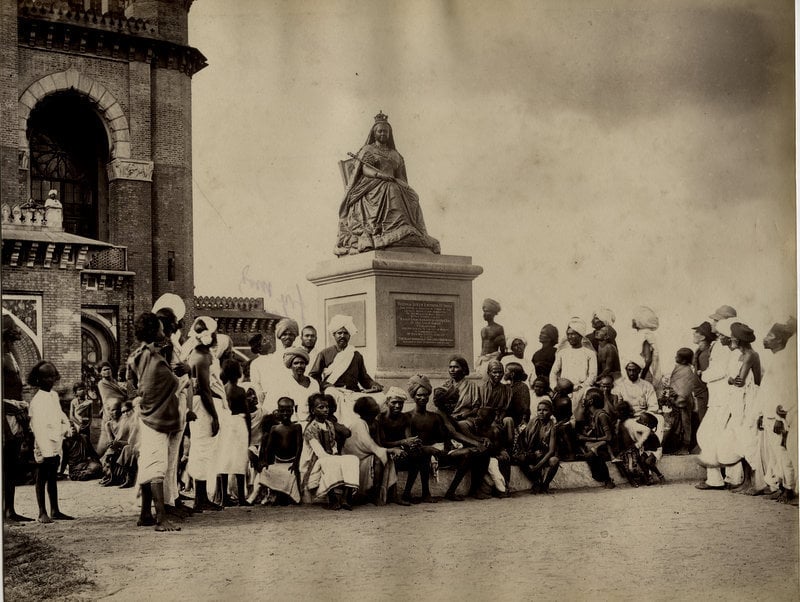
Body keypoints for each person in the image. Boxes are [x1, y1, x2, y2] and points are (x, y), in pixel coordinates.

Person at [335, 110, 440, 256]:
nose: (383, 134)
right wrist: (380, 175)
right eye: (380, 131)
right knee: (391, 189)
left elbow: (401, 176)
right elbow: (365, 169)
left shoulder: (396, 155)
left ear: (389, 134)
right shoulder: (368, 149)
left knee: (412, 195)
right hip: (371, 185)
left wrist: (404, 185)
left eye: (385, 132)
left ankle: (412, 229)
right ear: (374, 133)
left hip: (392, 182)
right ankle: (394, 228)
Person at [127, 312, 182, 531]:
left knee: (146, 464)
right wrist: (179, 380)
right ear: (153, 331)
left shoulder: (141, 355)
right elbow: (160, 386)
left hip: (147, 415)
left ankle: (145, 514)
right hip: (155, 418)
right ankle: (161, 518)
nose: (163, 332)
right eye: (160, 328)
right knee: (157, 466)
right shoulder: (154, 359)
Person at [308, 314, 383, 426]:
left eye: (346, 333)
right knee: (331, 394)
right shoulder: (324, 353)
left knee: (381, 397)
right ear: (334, 335)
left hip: (353, 392)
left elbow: (364, 378)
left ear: (350, 335)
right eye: (339, 333)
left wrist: (373, 385)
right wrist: (325, 385)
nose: (342, 336)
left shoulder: (356, 355)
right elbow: (314, 376)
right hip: (334, 391)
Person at [181, 317, 222, 512]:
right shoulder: (201, 356)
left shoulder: (201, 354)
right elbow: (204, 389)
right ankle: (200, 498)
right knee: (202, 448)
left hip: (201, 404)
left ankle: (202, 496)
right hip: (204, 405)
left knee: (202, 448)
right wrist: (214, 416)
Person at [695, 315, 739, 490]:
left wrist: (703, 375)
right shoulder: (720, 345)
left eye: (716, 320)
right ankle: (726, 479)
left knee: (710, 436)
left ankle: (717, 479)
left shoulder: (724, 347)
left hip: (722, 399)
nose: (713, 323)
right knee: (717, 437)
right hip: (718, 399)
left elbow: (719, 371)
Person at [27, 360, 75, 522]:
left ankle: (55, 509)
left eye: (52, 376)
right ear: (38, 379)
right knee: (41, 476)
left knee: (53, 476)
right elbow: (38, 428)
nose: (51, 380)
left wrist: (67, 427)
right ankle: (42, 512)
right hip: (43, 443)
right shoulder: (37, 401)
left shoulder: (53, 395)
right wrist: (46, 450)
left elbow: (60, 414)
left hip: (56, 440)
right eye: (46, 377)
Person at [718, 322, 762, 494]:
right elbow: (734, 379)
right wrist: (732, 380)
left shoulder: (751, 355)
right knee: (740, 440)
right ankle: (746, 481)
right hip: (738, 401)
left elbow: (739, 380)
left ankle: (755, 483)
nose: (731, 340)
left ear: (740, 340)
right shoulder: (740, 355)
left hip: (749, 401)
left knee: (749, 440)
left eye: (733, 338)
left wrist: (732, 380)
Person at [299, 393, 360, 510]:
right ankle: (332, 499)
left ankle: (345, 497)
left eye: (326, 407)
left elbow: (333, 447)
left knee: (352, 459)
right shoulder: (310, 429)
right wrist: (334, 458)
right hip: (315, 461)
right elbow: (319, 453)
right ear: (312, 411)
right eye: (321, 407)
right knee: (329, 462)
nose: (325, 410)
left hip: (329, 457)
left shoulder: (329, 424)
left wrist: (336, 455)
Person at [759, 318, 797, 501]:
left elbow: (783, 392)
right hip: (768, 413)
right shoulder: (776, 359)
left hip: (778, 415)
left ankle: (790, 489)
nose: (765, 338)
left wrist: (778, 419)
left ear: (780, 341)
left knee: (783, 452)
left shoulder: (784, 361)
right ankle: (782, 486)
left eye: (770, 335)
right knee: (775, 453)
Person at [431, 386, 492, 501]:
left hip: (448, 450)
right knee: (469, 452)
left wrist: (482, 439)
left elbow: (463, 432)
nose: (452, 405)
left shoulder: (449, 416)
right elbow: (454, 434)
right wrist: (476, 444)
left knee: (484, 451)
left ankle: (475, 489)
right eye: (449, 402)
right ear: (440, 403)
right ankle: (451, 492)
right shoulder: (438, 415)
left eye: (454, 402)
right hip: (437, 453)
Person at [2, 312, 33, 522]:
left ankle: (10, 510)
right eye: (8, 339)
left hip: (14, 416)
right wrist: (12, 404)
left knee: (12, 464)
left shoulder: (10, 356)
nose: (10, 342)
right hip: (4, 417)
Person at [342, 396, 397, 505]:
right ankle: (374, 495)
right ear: (367, 410)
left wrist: (388, 451)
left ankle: (390, 495)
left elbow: (378, 444)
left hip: (368, 454)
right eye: (374, 405)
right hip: (357, 458)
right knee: (378, 459)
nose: (377, 406)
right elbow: (368, 445)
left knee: (387, 458)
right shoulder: (359, 423)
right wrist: (389, 450)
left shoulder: (375, 423)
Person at [405, 375, 451, 503]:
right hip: (411, 452)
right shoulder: (407, 417)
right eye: (419, 395)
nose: (423, 398)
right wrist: (426, 448)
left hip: (431, 452)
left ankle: (416, 493)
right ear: (413, 396)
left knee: (423, 456)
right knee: (420, 455)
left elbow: (441, 437)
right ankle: (419, 493)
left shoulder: (435, 417)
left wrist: (438, 448)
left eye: (425, 395)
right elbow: (408, 440)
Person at [217, 359, 251, 506]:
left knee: (225, 459)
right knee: (240, 460)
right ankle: (242, 498)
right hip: (238, 424)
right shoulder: (240, 390)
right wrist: (249, 431)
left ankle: (224, 497)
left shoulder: (222, 389)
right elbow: (246, 412)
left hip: (225, 424)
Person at [375, 387, 417, 505]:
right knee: (396, 459)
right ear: (387, 402)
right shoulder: (380, 418)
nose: (398, 406)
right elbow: (381, 443)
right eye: (394, 402)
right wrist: (402, 443)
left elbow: (407, 437)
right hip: (385, 450)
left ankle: (407, 493)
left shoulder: (405, 418)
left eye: (400, 403)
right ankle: (393, 495)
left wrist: (412, 444)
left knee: (418, 458)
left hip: (399, 448)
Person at [258, 397, 303, 505]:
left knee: (291, 473)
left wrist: (296, 463)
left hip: (291, 462)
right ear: (278, 410)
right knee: (266, 471)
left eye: (288, 410)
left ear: (292, 410)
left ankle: (289, 497)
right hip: (278, 461)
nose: (285, 413)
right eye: (282, 410)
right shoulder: (275, 428)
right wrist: (265, 461)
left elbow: (299, 446)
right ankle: (274, 494)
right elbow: (269, 448)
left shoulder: (296, 427)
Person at [550, 318, 597, 418]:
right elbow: (553, 372)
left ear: (580, 335)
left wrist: (581, 387)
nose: (570, 337)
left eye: (573, 334)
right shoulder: (562, 353)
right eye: (568, 334)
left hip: (581, 391)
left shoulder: (590, 353)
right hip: (562, 391)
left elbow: (592, 375)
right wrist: (555, 386)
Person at [514, 400, 560, 494]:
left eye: (545, 410)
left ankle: (545, 485)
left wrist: (537, 466)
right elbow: (522, 439)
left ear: (551, 412)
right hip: (532, 453)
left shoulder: (552, 427)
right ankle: (536, 482)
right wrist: (527, 453)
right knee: (521, 458)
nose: (541, 412)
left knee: (554, 460)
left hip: (545, 455)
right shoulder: (532, 422)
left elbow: (551, 451)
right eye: (539, 410)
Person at [666, 348, 704, 455]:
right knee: (677, 425)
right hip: (676, 403)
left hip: (684, 403)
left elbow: (684, 389)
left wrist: (678, 400)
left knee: (685, 424)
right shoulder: (679, 368)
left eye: (677, 356)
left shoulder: (687, 371)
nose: (675, 357)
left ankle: (685, 447)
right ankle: (676, 446)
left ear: (683, 360)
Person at [577, 388, 615, 489]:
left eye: (586, 398)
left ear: (591, 401)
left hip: (608, 446)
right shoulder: (592, 414)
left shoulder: (602, 415)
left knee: (592, 455)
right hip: (600, 444)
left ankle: (607, 479)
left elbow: (609, 437)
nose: (584, 400)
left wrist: (587, 438)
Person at [272, 347, 318, 424]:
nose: (299, 366)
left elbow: (317, 404)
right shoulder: (283, 383)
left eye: (302, 363)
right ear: (290, 365)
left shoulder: (313, 383)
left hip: (312, 421)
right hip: (291, 422)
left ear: (305, 364)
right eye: (296, 363)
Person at [96, 360, 127, 456]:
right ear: (100, 372)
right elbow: (107, 399)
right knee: (105, 443)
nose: (107, 371)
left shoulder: (114, 381)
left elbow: (123, 394)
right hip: (110, 413)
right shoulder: (102, 384)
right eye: (104, 370)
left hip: (121, 412)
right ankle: (100, 460)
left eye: (108, 369)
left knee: (121, 439)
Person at [631, 306, 663, 395]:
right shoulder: (647, 334)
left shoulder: (644, 335)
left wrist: (640, 377)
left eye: (635, 319)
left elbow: (648, 359)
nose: (632, 320)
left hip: (644, 374)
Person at [442, 355, 482, 420]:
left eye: (456, 367)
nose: (452, 370)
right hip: (448, 417)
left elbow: (476, 408)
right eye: (450, 367)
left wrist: (466, 414)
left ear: (464, 369)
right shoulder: (445, 385)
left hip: (465, 418)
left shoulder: (472, 386)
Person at [691, 321, 715, 424]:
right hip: (701, 395)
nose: (693, 333)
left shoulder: (704, 355)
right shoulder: (701, 352)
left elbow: (706, 379)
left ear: (703, 337)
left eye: (697, 332)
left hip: (704, 396)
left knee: (704, 424)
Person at [477, 298, 506, 370]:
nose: (484, 314)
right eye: (484, 311)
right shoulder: (483, 330)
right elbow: (483, 347)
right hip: (482, 359)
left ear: (493, 313)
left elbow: (503, 349)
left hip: (493, 359)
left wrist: (497, 360)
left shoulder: (499, 328)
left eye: (487, 311)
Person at [504, 362, 531, 429]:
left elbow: (525, 408)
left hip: (518, 420)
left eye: (506, 371)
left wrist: (524, 421)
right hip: (507, 418)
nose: (504, 373)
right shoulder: (507, 387)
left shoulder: (523, 387)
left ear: (512, 374)